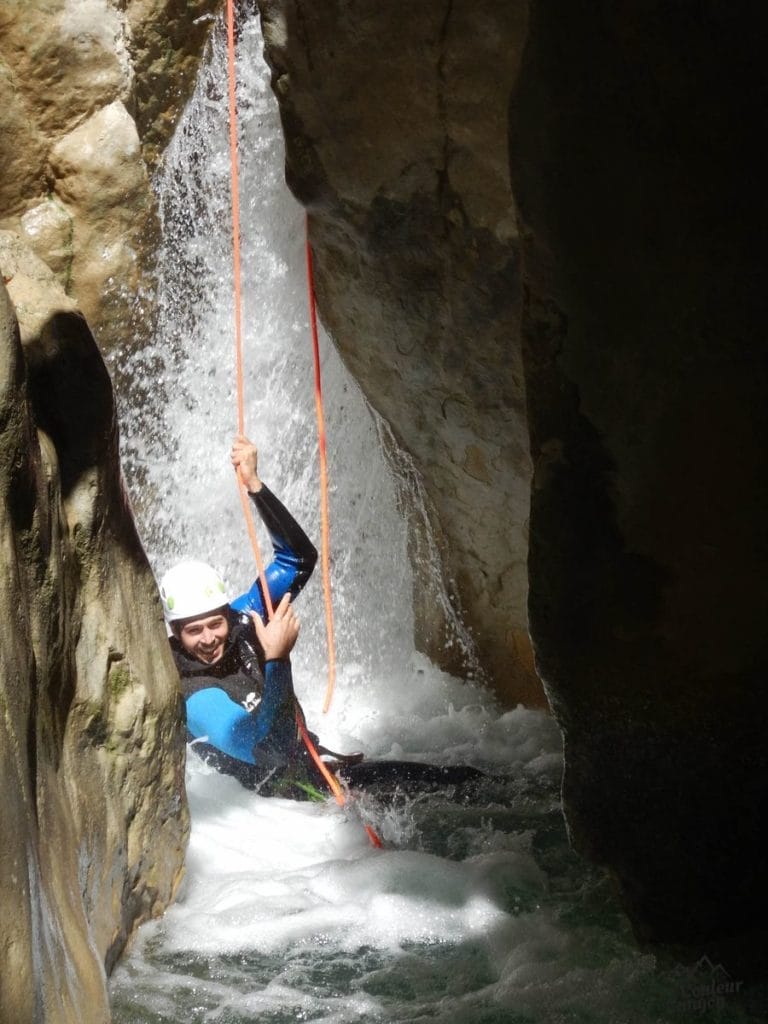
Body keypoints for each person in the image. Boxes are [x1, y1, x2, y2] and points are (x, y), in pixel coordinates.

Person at [161, 436, 484, 801]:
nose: (208, 639)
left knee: (466, 780)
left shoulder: (244, 619)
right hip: (286, 802)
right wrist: (277, 659)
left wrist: (256, 486)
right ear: (175, 632)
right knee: (459, 788)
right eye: (193, 631)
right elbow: (271, 751)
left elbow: (297, 559)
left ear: (226, 614)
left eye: (214, 624)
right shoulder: (195, 696)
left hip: (315, 772)